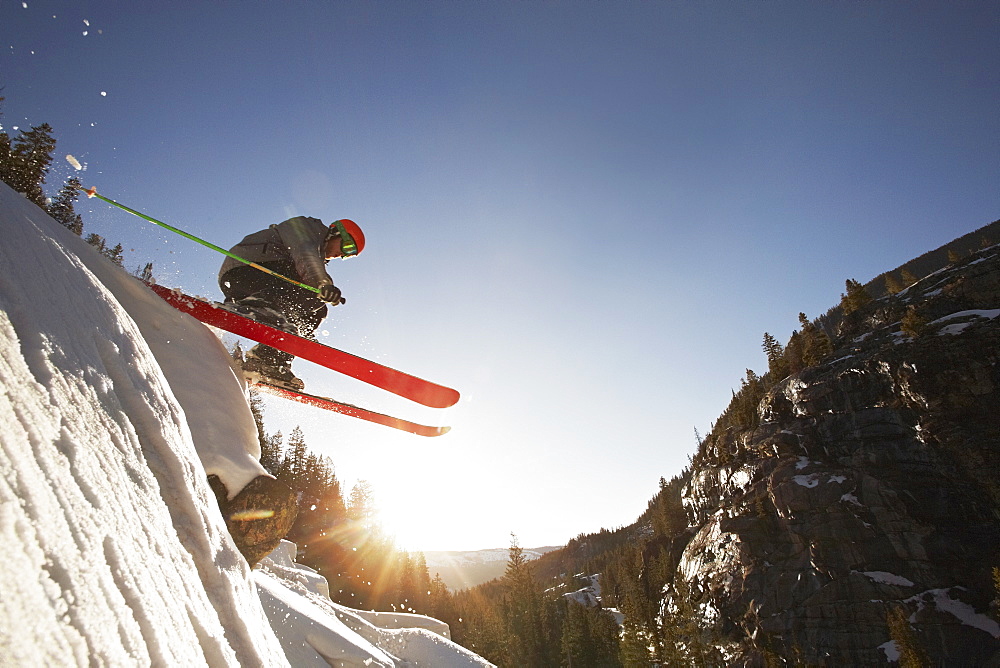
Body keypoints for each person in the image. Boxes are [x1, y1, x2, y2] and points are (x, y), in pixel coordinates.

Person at [218, 215, 366, 390]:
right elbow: (305, 255)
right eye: (347, 246)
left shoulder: (317, 251)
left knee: (316, 309)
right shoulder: (306, 228)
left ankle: (269, 359)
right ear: (335, 232)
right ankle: (262, 308)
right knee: (310, 289)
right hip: (246, 269)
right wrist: (323, 284)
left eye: (348, 255)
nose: (342, 254)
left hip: (258, 284)